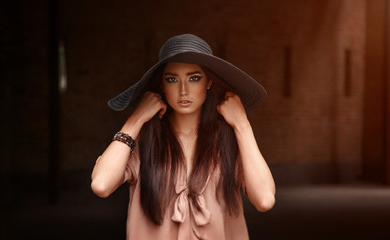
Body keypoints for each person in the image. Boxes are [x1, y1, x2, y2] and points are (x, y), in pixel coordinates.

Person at [91, 34, 275, 240]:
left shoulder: (228, 141)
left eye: (194, 78)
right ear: (161, 85)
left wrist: (242, 124)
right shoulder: (143, 141)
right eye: (172, 79)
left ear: (209, 82)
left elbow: (265, 200)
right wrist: (135, 120)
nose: (183, 90)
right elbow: (101, 185)